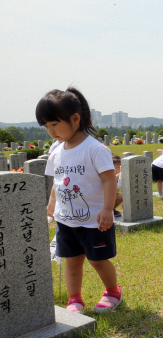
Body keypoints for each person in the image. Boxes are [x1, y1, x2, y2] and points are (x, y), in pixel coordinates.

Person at [37, 87, 122, 314]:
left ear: (75, 119)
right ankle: (75, 300)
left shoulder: (95, 149)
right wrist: (51, 206)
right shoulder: (56, 152)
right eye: (46, 126)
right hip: (66, 220)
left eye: (54, 124)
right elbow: (57, 182)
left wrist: (107, 209)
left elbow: (109, 180)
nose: (50, 131)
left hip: (94, 220)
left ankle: (113, 292)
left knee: (97, 261)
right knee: (71, 261)